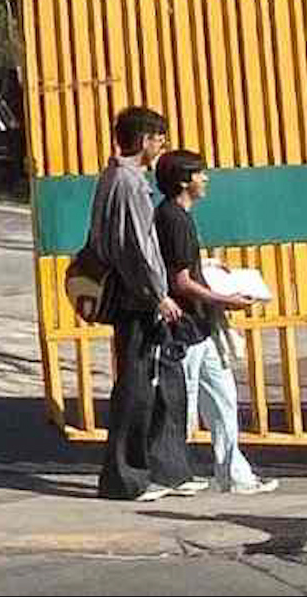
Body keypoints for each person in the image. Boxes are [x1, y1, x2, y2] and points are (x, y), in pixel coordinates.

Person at [92, 106, 207, 502]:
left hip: (136, 295)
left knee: (152, 384)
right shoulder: (128, 183)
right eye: (159, 139)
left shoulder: (119, 178)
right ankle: (126, 477)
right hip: (136, 299)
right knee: (137, 387)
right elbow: (137, 248)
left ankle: (159, 469)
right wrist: (158, 295)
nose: (161, 147)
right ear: (144, 140)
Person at [153, 149, 277, 495]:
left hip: (200, 326)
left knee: (223, 400)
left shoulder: (178, 216)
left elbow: (183, 267)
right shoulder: (174, 219)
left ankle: (234, 475)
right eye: (199, 173)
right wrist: (228, 300)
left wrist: (206, 264)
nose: (205, 179)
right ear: (183, 181)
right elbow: (180, 282)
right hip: (183, 328)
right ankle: (166, 471)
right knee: (184, 403)